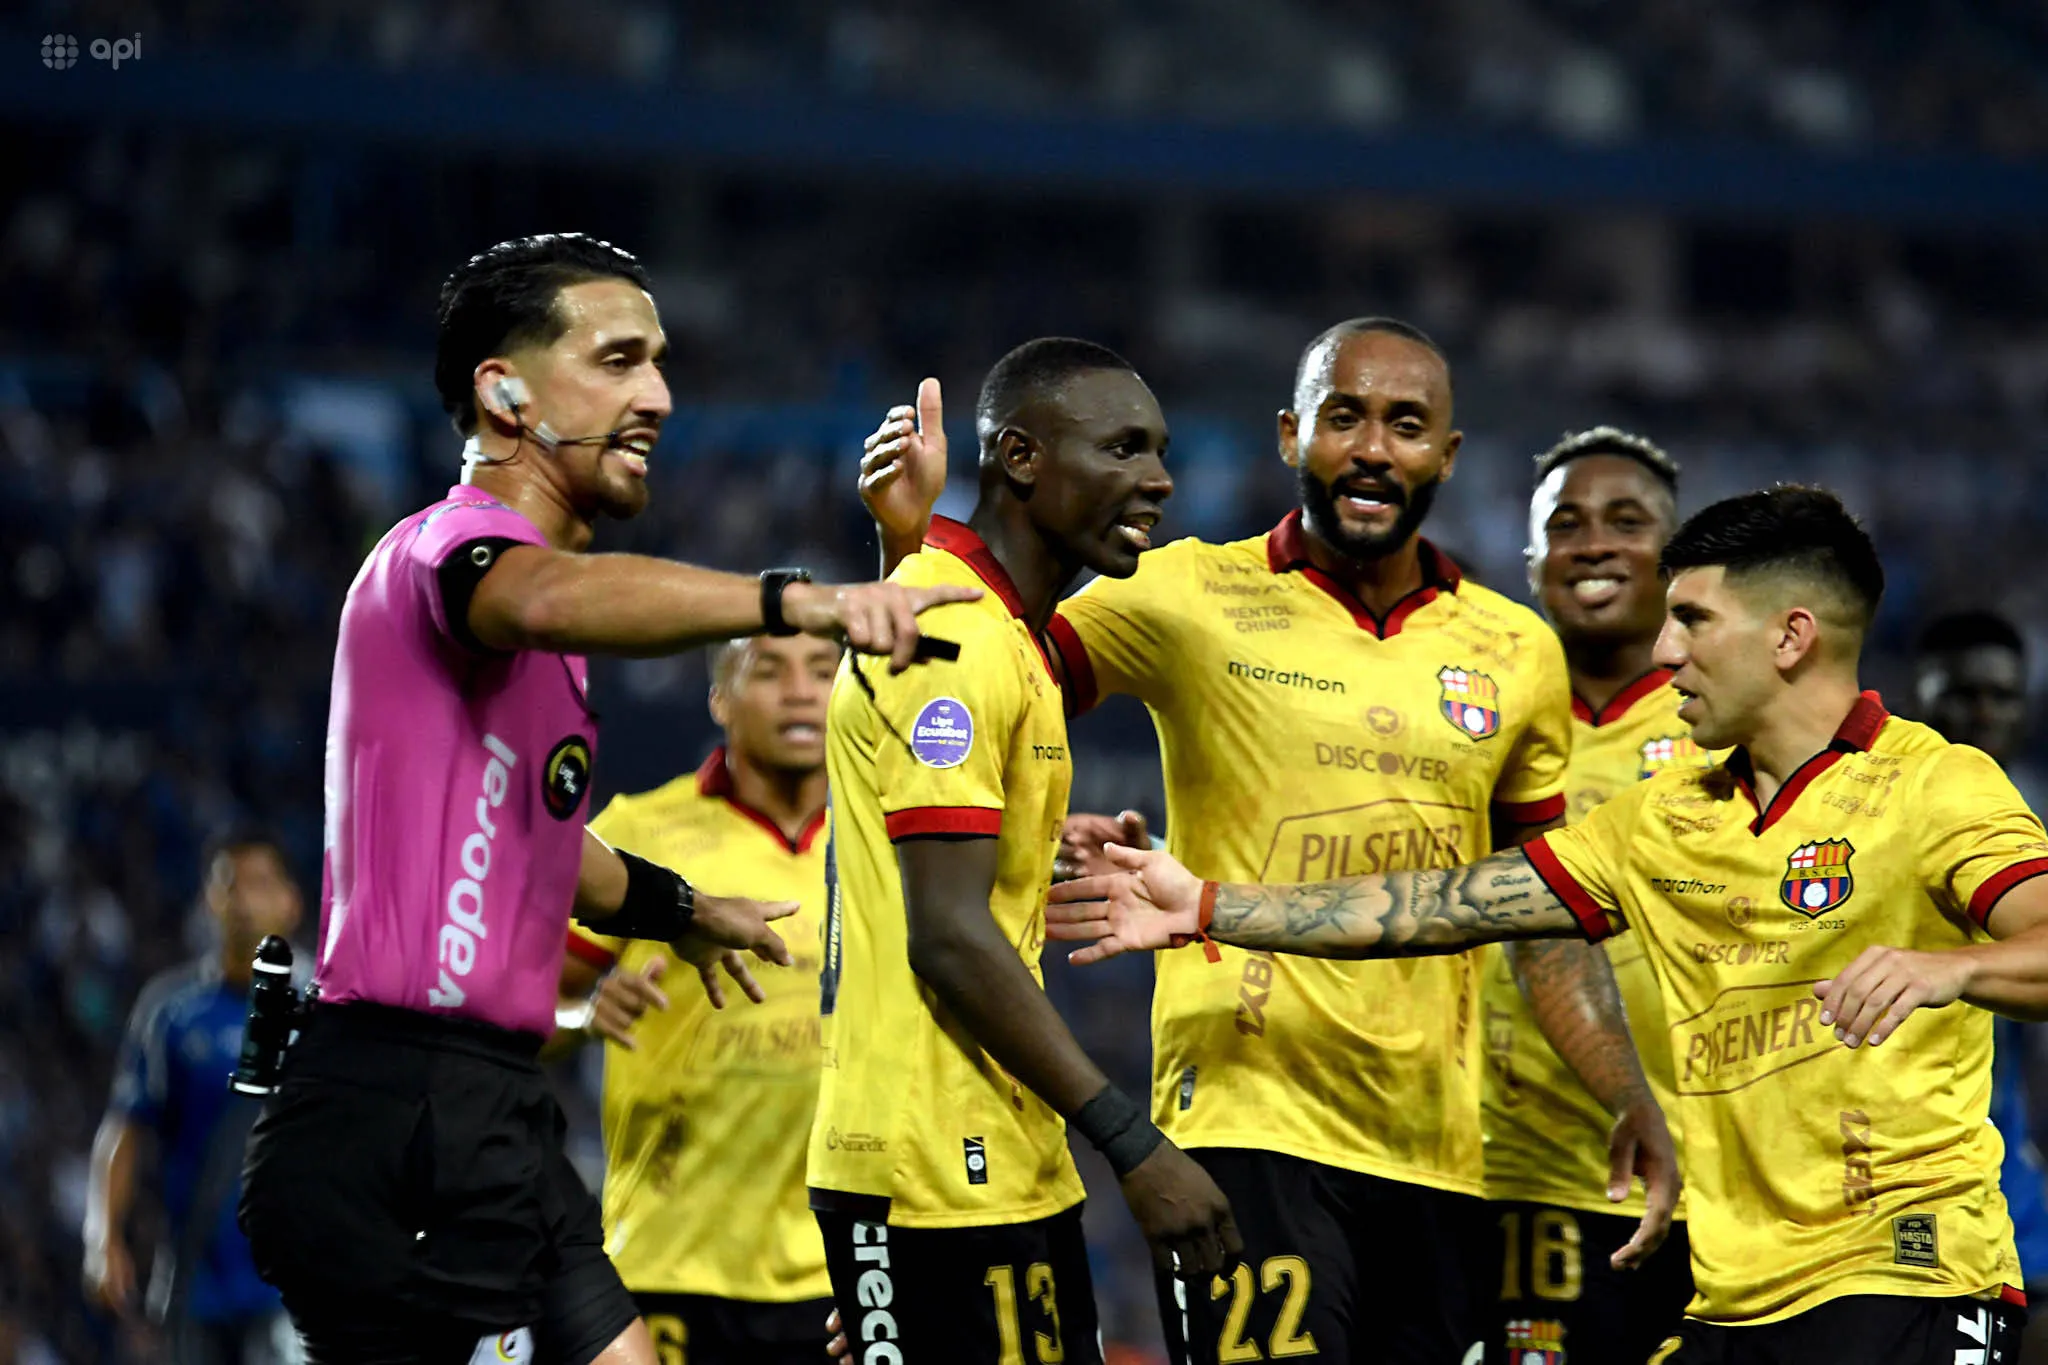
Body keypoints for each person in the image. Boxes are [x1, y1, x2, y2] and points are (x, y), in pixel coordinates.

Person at [1049, 486, 2048, 1365]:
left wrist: (1946, 969)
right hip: (1732, 1303)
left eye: (1692, 620)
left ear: (1789, 637)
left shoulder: (1933, 785)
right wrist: (1210, 904)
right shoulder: (1665, 818)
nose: (1665, 650)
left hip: (1905, 1275)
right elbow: (1441, 904)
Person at [863, 319, 1675, 1362]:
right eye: (1343, 418)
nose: (1372, 448)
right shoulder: (1182, 591)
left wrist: (1622, 1089)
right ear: (1292, 434)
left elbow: (1539, 912)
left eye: (1404, 425)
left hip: (1437, 1151)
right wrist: (905, 551)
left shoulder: (1516, 651)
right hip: (1243, 1122)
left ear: (1446, 455)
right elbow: (964, 677)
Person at [237, 232, 974, 1365]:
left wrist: (685, 911)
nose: (659, 397)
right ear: (506, 395)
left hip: (486, 1110)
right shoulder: (451, 551)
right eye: (619, 360)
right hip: (397, 1111)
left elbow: (541, 847)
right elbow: (542, 597)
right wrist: (792, 603)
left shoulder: (536, 639)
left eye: (659, 363)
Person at [810, 337, 1239, 1364]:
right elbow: (947, 938)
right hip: (925, 1164)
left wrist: (1038, 848)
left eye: (1159, 451)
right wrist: (1134, 1147)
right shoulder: (958, 635)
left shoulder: (1012, 637)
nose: (1158, 478)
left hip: (1000, 1155)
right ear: (1020, 457)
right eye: (1123, 448)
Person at [550, 633, 841, 1364]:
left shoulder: (885, 845)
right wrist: (582, 1016)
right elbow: (520, 1012)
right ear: (719, 698)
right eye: (769, 670)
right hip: (672, 1264)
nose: (801, 691)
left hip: (841, 1271)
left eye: (823, 670)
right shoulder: (636, 833)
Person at [1481, 429, 1708, 1365]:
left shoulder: (1735, 725)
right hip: (1515, 1175)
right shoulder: (1475, 720)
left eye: (1626, 521)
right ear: (1531, 560)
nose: (1594, 543)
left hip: (1716, 1181)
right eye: (1565, 524)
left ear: (1678, 558)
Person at [84, 831, 305, 1365]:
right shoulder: (171, 1011)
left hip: (295, 1287)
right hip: (194, 1286)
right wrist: (103, 1236)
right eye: (231, 885)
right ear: (210, 900)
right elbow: (124, 1128)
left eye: (260, 884)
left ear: (290, 902)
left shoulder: (323, 1007)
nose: (244, 901)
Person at [1915, 609, 2048, 1364]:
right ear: (1920, 691)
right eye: (1964, 693)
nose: (1985, 713)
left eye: (2003, 696)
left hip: (2004, 1128)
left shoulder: (2034, 816)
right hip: (1910, 1141)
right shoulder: (1879, 809)